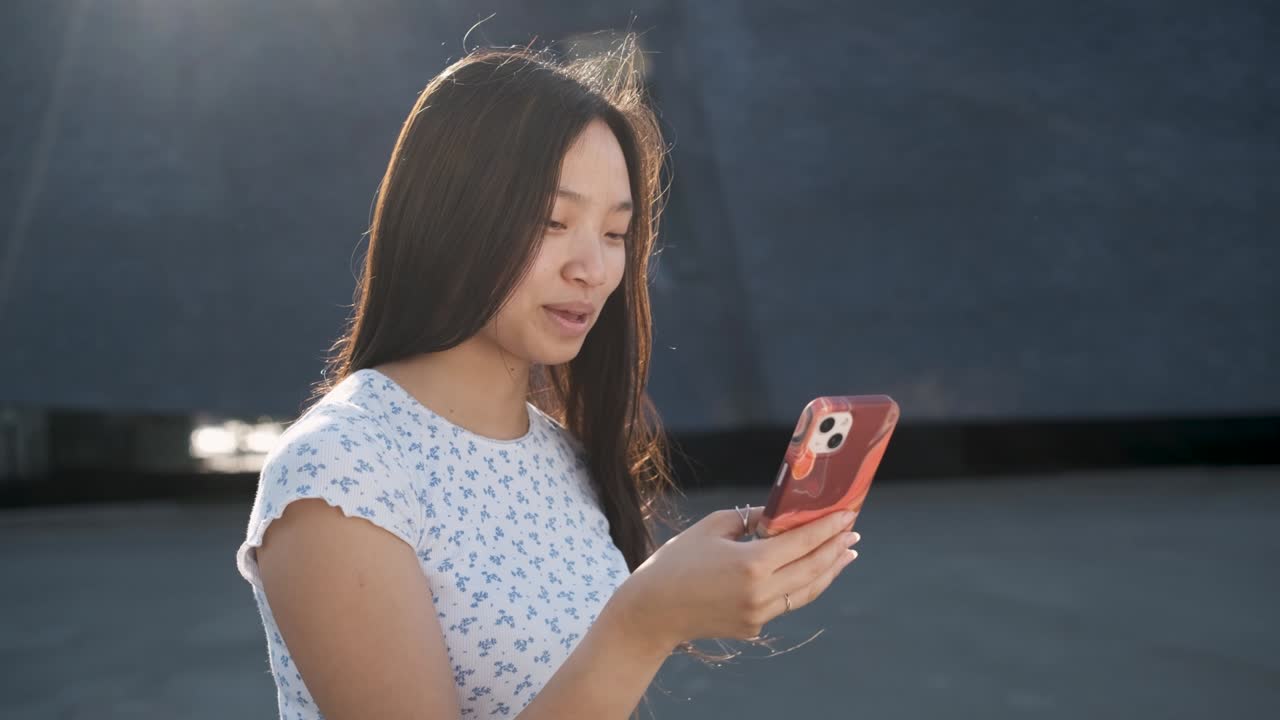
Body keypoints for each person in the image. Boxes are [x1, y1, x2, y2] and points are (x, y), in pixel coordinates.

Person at [234, 37, 862, 720]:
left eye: (616, 233)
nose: (591, 268)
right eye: (553, 221)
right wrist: (644, 621)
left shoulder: (561, 453)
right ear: (448, 217)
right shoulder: (341, 470)